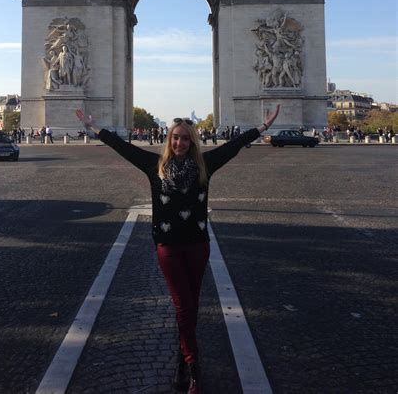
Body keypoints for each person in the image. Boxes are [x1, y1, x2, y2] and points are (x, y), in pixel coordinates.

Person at [75, 104, 280, 393]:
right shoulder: (153, 166)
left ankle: (182, 359)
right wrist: (93, 127)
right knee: (184, 305)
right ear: (169, 140)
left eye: (185, 138)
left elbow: (234, 146)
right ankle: (193, 365)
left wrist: (264, 126)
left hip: (197, 245)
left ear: (192, 142)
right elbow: (120, 146)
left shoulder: (205, 166)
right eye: (176, 137)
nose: (180, 142)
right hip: (168, 246)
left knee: (189, 306)